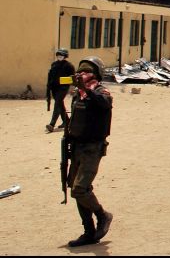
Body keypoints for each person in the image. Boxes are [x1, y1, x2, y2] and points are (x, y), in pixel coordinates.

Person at [66, 56, 113, 247]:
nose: (82, 74)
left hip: (92, 148)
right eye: (81, 71)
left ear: (96, 74)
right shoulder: (79, 94)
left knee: (80, 188)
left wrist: (86, 89)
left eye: (87, 71)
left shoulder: (101, 92)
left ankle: (103, 216)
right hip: (77, 146)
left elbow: (103, 104)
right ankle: (89, 231)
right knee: (76, 189)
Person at [46, 48, 75, 133]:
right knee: (60, 104)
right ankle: (67, 122)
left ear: (65, 56)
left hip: (63, 88)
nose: (59, 57)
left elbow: (72, 78)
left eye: (61, 55)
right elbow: (51, 76)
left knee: (57, 103)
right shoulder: (54, 64)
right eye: (58, 55)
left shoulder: (69, 66)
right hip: (55, 88)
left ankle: (52, 124)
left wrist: (71, 87)